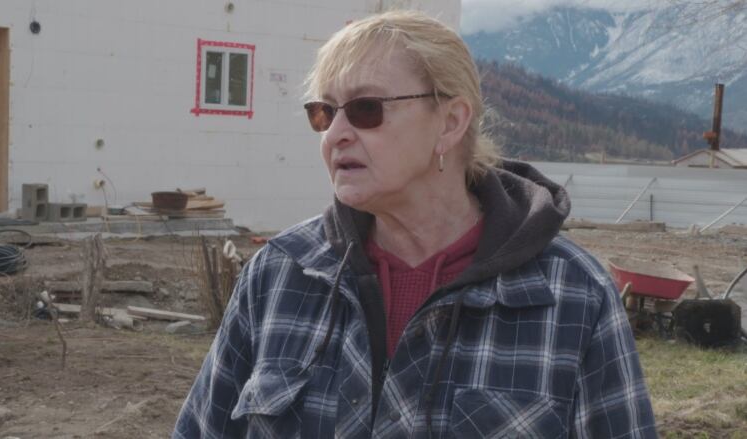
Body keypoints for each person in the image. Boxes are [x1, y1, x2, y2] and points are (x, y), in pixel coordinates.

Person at [173, 10, 657, 438]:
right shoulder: (279, 275)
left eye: (367, 109)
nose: (336, 135)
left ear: (450, 122)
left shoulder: (572, 295)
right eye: (324, 112)